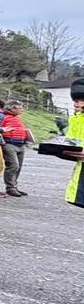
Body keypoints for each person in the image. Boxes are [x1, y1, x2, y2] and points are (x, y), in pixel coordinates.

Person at [0, 100, 35, 197]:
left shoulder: (18, 117)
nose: (21, 110)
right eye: (19, 108)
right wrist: (2, 141)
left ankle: (14, 186)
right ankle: (10, 188)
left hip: (21, 144)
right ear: (12, 108)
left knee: (18, 167)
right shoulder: (3, 117)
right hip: (9, 143)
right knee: (13, 165)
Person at [61, 79, 84, 208]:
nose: (75, 104)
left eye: (79, 100)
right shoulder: (77, 118)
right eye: (74, 100)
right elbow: (72, 141)